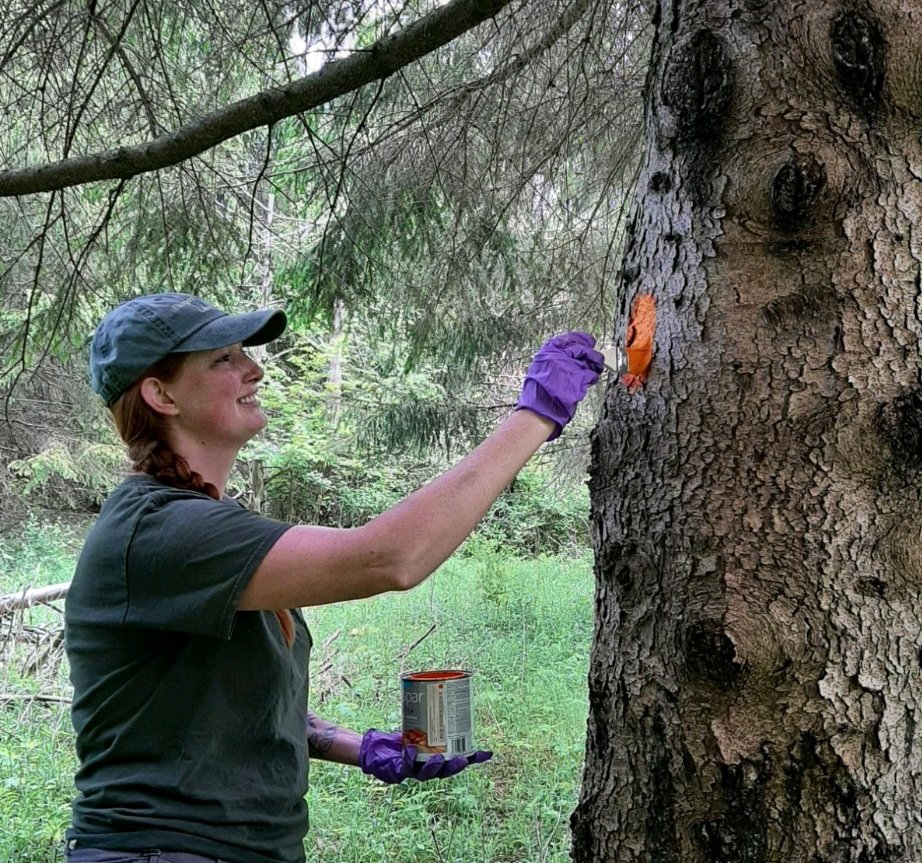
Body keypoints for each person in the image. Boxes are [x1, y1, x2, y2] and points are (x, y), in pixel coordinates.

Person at [63, 292, 604, 863]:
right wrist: (536, 414)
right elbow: (388, 557)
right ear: (161, 393)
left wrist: (362, 747)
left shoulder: (209, 526)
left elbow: (238, 707)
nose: (254, 368)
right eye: (224, 359)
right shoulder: (159, 530)